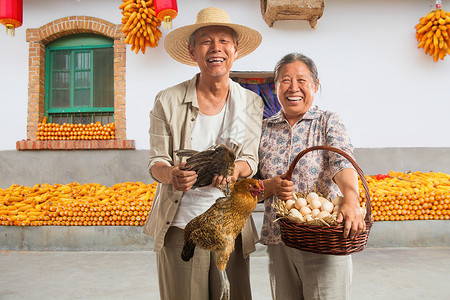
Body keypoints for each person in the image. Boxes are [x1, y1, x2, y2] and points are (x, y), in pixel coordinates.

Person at [142, 7, 264, 300]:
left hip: (230, 227)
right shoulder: (168, 100)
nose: (216, 48)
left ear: (235, 50)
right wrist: (172, 175)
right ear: (193, 50)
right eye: (206, 41)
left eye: (224, 40)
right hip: (181, 225)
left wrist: (234, 172)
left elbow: (250, 158)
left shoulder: (250, 103)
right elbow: (156, 161)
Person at [257, 53, 366, 300]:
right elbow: (250, 187)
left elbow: (342, 161)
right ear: (275, 88)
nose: (293, 88)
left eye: (301, 80)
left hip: (324, 238)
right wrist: (269, 186)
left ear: (316, 86)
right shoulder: (264, 129)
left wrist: (351, 199)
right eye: (285, 80)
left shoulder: (327, 121)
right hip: (280, 239)